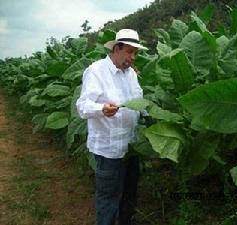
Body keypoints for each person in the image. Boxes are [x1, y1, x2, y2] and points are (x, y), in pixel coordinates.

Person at [76, 29, 148, 225]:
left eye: (136, 53)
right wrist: (102, 109)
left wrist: (152, 115)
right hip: (108, 150)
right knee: (108, 199)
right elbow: (82, 107)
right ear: (117, 48)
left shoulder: (131, 73)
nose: (133, 57)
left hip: (130, 146)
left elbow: (139, 101)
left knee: (129, 194)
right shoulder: (96, 71)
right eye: (129, 52)